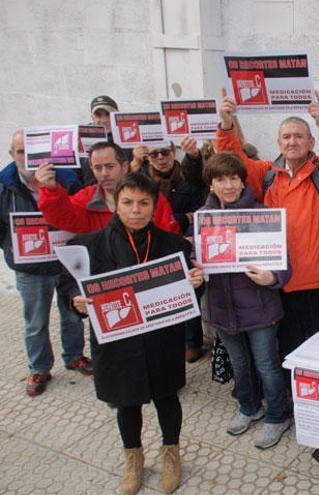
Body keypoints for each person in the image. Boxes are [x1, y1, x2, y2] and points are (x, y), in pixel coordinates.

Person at [64, 173, 205, 495]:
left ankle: (171, 454)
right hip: (117, 344)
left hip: (162, 342)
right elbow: (68, 285)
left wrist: (197, 283)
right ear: (115, 203)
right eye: (128, 202)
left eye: (144, 203)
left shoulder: (174, 247)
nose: (136, 210)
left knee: (167, 397)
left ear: (155, 206)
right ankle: (133, 458)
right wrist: (77, 301)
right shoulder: (88, 246)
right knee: (126, 403)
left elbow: (187, 296)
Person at [216, 93, 319, 359]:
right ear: (279, 142)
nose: (293, 141)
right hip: (283, 283)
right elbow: (233, 160)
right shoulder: (266, 174)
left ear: (311, 142)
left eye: (299, 136)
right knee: (292, 352)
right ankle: (294, 399)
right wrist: (225, 124)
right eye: (287, 137)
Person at [199, 152, 292, 449]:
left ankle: (278, 416)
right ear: (211, 185)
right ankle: (250, 408)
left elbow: (284, 264)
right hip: (222, 310)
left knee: (266, 364)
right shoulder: (204, 218)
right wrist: (195, 270)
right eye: (220, 179)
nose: (228, 185)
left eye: (233, 178)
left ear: (242, 181)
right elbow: (195, 258)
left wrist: (272, 278)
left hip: (260, 310)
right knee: (240, 364)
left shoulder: (261, 214)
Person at [0, 130, 91, 396]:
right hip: (30, 268)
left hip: (65, 262)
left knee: (72, 315)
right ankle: (39, 367)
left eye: (33, 153)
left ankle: (74, 355)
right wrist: (13, 248)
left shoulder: (68, 180)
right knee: (36, 320)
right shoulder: (5, 187)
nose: (28, 159)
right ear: (12, 155)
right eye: (21, 153)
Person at [132, 140, 207, 362]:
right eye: (154, 154)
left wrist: (185, 223)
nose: (161, 158)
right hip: (155, 245)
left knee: (190, 291)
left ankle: (193, 342)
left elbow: (200, 212)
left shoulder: (187, 179)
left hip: (185, 243)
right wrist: (183, 218)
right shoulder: (143, 181)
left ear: (174, 153)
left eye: (165, 152)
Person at [36, 141, 181, 235]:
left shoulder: (150, 195)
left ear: (124, 167)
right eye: (98, 168)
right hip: (106, 275)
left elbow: (170, 235)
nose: (104, 174)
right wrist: (50, 189)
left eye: (110, 166)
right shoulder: (87, 198)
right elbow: (62, 218)